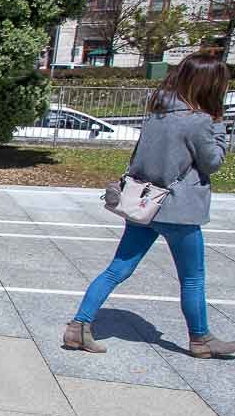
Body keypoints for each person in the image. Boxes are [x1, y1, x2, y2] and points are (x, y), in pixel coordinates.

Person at [64, 52, 234, 358]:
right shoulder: (198, 122)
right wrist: (220, 127)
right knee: (192, 277)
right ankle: (200, 339)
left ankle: (79, 326)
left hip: (145, 205)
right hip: (180, 211)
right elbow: (212, 162)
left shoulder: (157, 113)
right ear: (210, 86)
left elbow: (140, 159)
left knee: (117, 269)